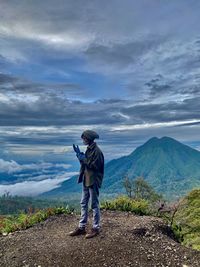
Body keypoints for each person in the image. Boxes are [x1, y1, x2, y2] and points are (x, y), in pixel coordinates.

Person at [69, 130, 104, 238]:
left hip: (93, 181)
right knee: (83, 203)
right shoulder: (89, 150)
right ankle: (81, 227)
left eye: (84, 138)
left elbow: (95, 166)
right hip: (86, 179)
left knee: (94, 204)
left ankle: (96, 228)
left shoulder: (97, 151)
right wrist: (79, 156)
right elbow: (85, 164)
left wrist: (83, 159)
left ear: (88, 139)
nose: (83, 140)